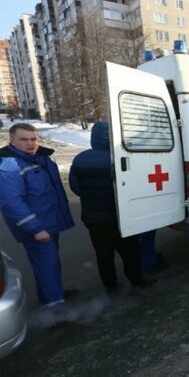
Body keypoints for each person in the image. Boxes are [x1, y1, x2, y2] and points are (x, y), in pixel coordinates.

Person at [69, 122, 155, 293]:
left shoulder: (80, 159)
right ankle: (137, 281)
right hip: (120, 215)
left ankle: (111, 286)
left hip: (93, 218)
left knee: (103, 253)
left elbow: (75, 187)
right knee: (130, 250)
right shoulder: (123, 156)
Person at [0, 123, 74, 307]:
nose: (30, 143)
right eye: (24, 139)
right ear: (12, 140)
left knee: (50, 264)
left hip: (49, 223)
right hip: (37, 228)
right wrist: (36, 229)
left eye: (33, 139)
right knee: (47, 266)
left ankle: (50, 296)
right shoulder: (9, 166)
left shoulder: (40, 158)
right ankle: (55, 308)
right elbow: (12, 203)